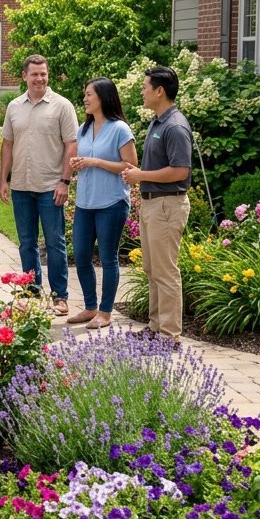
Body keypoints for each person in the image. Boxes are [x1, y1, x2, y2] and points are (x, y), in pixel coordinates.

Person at [0, 54, 78, 314]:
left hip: (50, 186)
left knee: (55, 242)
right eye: (34, 74)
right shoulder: (14, 107)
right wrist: (3, 180)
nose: (39, 78)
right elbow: (7, 145)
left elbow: (71, 145)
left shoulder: (62, 106)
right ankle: (31, 293)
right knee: (26, 242)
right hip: (22, 185)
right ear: (24, 76)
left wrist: (65, 181)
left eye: (43, 73)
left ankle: (59, 296)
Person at [122, 66, 192, 342]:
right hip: (154, 204)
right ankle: (154, 328)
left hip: (167, 205)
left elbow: (180, 171)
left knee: (165, 271)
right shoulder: (158, 121)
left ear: (159, 91)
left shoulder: (174, 126)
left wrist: (141, 176)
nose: (142, 90)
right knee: (152, 269)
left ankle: (169, 335)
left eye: (145, 86)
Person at [66, 78, 138, 329]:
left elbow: (130, 166)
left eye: (89, 95)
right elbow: (83, 158)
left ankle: (105, 312)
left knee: (108, 258)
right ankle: (89, 307)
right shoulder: (83, 129)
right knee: (82, 256)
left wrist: (95, 162)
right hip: (86, 202)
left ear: (103, 97)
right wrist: (78, 163)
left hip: (112, 202)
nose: (85, 99)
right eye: (84, 95)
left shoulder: (120, 129)